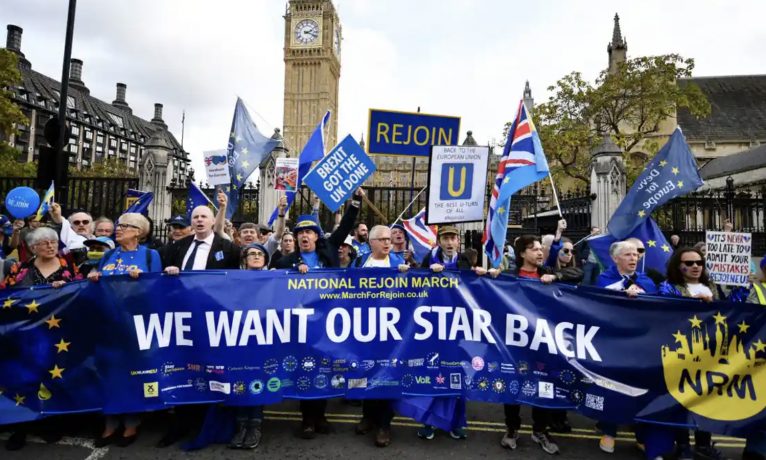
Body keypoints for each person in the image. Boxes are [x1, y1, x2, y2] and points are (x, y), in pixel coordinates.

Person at [275, 188, 362, 439]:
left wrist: (355, 201)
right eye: (300, 232)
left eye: (308, 232)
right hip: (302, 325)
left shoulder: (330, 250)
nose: (304, 236)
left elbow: (345, 226)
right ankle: (307, 419)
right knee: (306, 369)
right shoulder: (287, 261)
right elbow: (273, 276)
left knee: (325, 368)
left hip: (328, 321)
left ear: (316, 236)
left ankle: (321, 416)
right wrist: (294, 267)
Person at [159, 205, 240, 447]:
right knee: (184, 368)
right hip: (183, 320)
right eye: (195, 217)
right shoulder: (177, 247)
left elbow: (236, 285)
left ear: (213, 220)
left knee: (210, 369)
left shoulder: (229, 249)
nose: (199, 220)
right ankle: (182, 422)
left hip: (213, 320)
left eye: (204, 216)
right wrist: (169, 272)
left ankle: (209, 424)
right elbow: (163, 281)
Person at [407, 225, 497, 444]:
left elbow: (477, 290)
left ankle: (456, 423)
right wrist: (427, 271)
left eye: (453, 238)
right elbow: (415, 286)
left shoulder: (465, 261)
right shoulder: (430, 258)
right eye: (445, 238)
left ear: (458, 242)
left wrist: (488, 275)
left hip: (458, 328)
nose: (449, 242)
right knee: (432, 374)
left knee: (457, 376)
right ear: (439, 241)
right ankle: (428, 421)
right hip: (433, 328)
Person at [1, 226, 82, 450]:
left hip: (59, 335)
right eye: (44, 242)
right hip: (26, 335)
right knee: (24, 379)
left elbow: (82, 292)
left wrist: (66, 288)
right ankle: (21, 425)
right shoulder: (19, 268)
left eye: (54, 242)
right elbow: (6, 295)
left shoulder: (68, 267)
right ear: (33, 247)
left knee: (55, 377)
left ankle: (50, 422)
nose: (50, 245)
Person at [87, 213, 161, 447]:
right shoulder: (108, 254)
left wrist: (142, 281)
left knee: (133, 372)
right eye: (118, 226)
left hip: (134, 324)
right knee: (108, 371)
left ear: (138, 231)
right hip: (107, 323)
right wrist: (94, 276)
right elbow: (97, 282)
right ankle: (110, 423)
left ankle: (131, 422)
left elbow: (157, 287)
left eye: (124, 226)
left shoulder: (150, 255)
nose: (117, 230)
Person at [658, 248, 726, 460]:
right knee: (681, 399)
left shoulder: (712, 286)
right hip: (680, 351)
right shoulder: (669, 286)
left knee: (705, 398)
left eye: (699, 262)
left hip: (709, 351)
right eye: (689, 263)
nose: (695, 266)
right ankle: (683, 445)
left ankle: (703, 445)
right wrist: (697, 304)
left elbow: (728, 311)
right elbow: (665, 308)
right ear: (679, 266)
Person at [501, 234, 560, 455]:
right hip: (515, 341)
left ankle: (540, 430)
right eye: (534, 249)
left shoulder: (547, 273)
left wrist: (556, 276)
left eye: (540, 249)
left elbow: (578, 274)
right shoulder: (509, 276)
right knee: (512, 384)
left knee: (543, 385)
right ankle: (512, 428)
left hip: (542, 341)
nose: (539, 252)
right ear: (522, 254)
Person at [351, 225, 409, 447]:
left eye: (389, 239)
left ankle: (384, 424)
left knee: (386, 374)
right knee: (366, 371)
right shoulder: (361, 261)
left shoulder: (398, 263)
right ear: (371, 242)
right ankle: (368, 416)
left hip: (391, 330)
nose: (387, 243)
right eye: (382, 239)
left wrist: (409, 275)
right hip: (364, 327)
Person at [228, 242, 271, 450]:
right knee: (240, 381)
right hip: (239, 338)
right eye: (251, 254)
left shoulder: (275, 278)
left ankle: (255, 425)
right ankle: (240, 425)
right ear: (244, 260)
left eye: (259, 253)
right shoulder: (233, 279)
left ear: (265, 259)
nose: (255, 256)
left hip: (263, 339)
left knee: (257, 381)